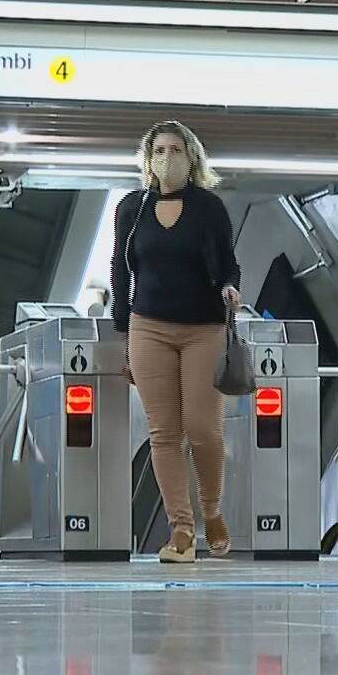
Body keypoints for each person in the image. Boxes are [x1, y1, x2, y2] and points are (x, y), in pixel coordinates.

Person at [110, 120, 241, 564]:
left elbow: (228, 264)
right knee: (164, 433)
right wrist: (123, 334)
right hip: (149, 327)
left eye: (176, 150)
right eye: (160, 150)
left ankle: (212, 511)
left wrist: (228, 287)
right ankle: (181, 530)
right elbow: (120, 273)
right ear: (148, 159)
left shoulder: (209, 208)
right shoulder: (132, 208)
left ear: (192, 157)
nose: (168, 158)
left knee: (203, 429)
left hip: (203, 328)